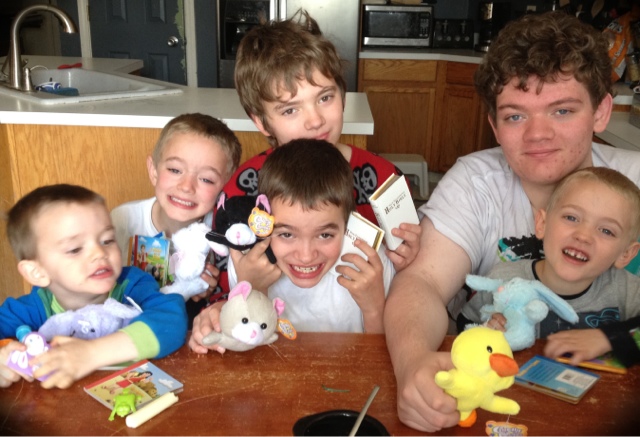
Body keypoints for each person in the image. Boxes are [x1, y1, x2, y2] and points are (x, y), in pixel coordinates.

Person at [383, 11, 640, 432]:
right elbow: (422, 283)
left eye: (562, 110)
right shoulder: (473, 183)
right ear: (494, 125)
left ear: (601, 112)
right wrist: (412, 364)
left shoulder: (636, 182)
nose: (537, 134)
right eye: (515, 116)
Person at [217, 9, 422, 299]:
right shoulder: (241, 193)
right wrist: (239, 287)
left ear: (343, 95)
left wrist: (410, 262)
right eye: (290, 109)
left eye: (325, 97)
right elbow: (221, 290)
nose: (315, 121)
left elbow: (409, 288)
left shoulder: (384, 181)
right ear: (261, 122)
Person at [189, 139, 396, 353]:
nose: (306, 256)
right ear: (262, 222)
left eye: (325, 235)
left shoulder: (370, 266)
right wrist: (252, 287)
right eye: (287, 234)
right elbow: (247, 351)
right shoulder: (248, 262)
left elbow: (384, 358)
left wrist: (374, 309)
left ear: (347, 224)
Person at [0, 184, 187, 389]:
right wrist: (4, 356)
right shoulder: (27, 310)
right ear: (37, 272)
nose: (99, 253)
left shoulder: (132, 284)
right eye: (75, 249)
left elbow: (172, 320)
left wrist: (91, 354)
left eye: (107, 240)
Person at [459, 167, 640, 367]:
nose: (583, 236)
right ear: (542, 224)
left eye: (606, 230)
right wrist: (485, 333)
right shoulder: (503, 279)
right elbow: (463, 329)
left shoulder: (628, 290)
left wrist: (610, 338)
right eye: (571, 218)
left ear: (626, 254)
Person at [110, 113, 242, 315]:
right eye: (174, 170)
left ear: (225, 188)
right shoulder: (121, 221)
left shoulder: (227, 235)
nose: (186, 186)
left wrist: (207, 292)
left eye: (206, 179)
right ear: (153, 170)